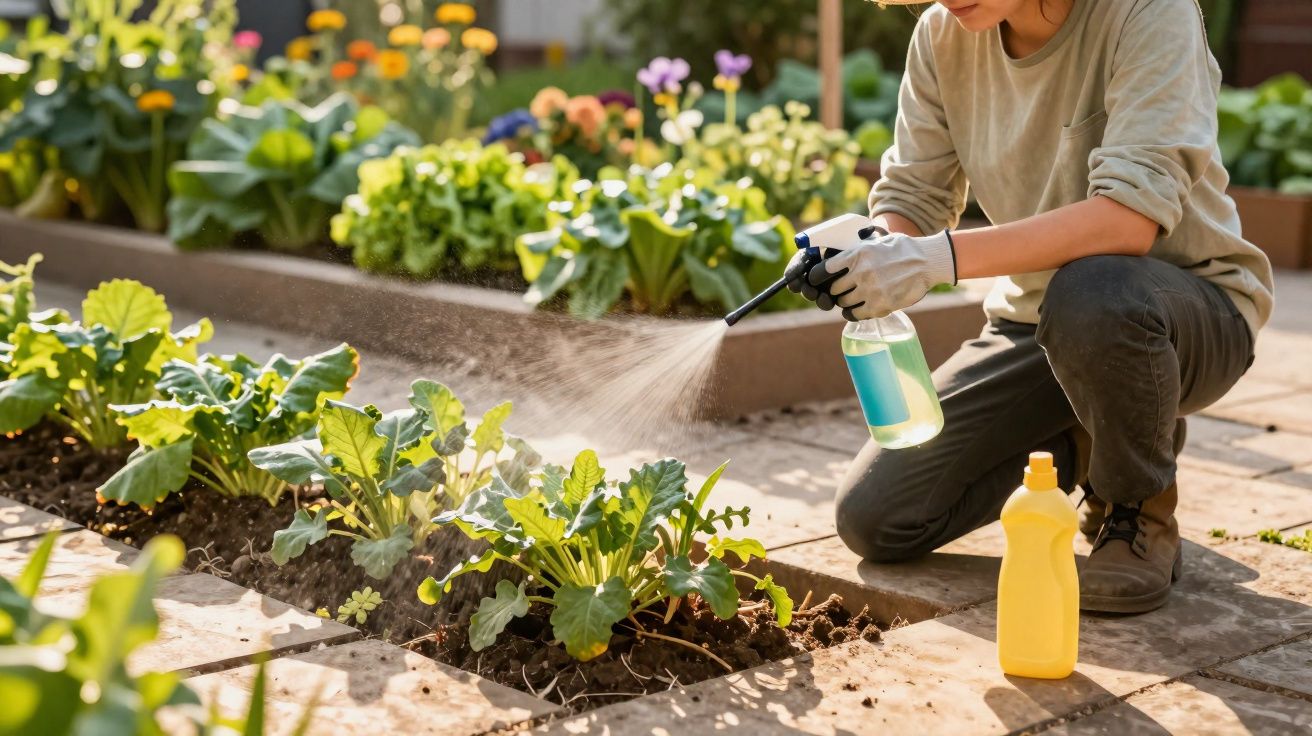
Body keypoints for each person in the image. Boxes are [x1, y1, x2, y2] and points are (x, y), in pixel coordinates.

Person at [789, 0, 1273, 613]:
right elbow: (916, 193)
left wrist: (935, 260)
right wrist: (867, 250)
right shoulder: (943, 34)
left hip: (1184, 315)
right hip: (1037, 325)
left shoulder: (1150, 11)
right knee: (877, 518)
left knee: (1096, 293)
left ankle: (1135, 509)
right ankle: (1092, 433)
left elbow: (1129, 219)